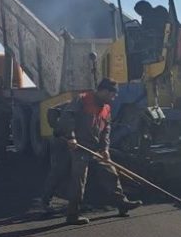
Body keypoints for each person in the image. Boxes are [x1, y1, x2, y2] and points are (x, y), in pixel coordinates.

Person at [56, 78, 142, 225]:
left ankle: (122, 204)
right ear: (103, 91)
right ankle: (72, 215)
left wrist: (105, 149)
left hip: (96, 149)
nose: (113, 98)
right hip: (80, 147)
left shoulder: (106, 108)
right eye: (112, 95)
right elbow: (67, 117)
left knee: (111, 173)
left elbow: (106, 130)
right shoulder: (83, 100)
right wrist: (71, 137)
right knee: (79, 181)